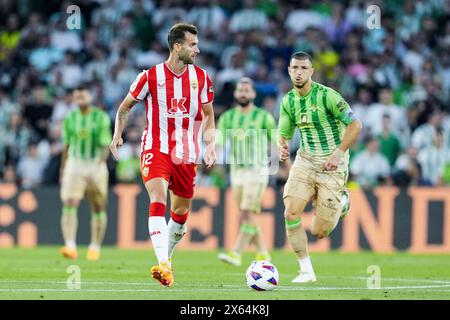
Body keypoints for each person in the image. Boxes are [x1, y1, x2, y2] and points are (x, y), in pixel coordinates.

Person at [109, 23, 216, 287]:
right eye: (192, 44)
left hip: (186, 154)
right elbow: (124, 108)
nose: (197, 49)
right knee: (157, 197)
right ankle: (164, 265)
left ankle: (166, 259)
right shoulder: (149, 76)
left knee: (180, 216)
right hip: (156, 147)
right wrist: (117, 135)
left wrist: (210, 144)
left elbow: (209, 115)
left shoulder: (201, 78)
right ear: (177, 46)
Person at [278, 51, 362, 283]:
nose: (299, 72)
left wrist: (338, 153)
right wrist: (282, 147)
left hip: (332, 165)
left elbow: (356, 125)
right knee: (291, 211)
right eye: (295, 68)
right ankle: (306, 270)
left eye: (304, 68)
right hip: (305, 161)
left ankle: (342, 202)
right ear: (289, 70)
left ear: (312, 71)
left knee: (319, 232)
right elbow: (284, 135)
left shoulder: (328, 96)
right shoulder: (288, 101)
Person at [217, 77, 276, 266]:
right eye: (240, 90)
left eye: (246, 90)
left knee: (246, 210)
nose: (243, 93)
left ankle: (236, 252)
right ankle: (263, 253)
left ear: (253, 94)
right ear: (235, 94)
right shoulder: (228, 117)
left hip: (257, 170)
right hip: (237, 172)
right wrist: (213, 156)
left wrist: (285, 165)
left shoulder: (264, 117)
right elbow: (218, 141)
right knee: (245, 215)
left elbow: (276, 143)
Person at [59, 86, 112, 261]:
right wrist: (63, 168)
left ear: (90, 95)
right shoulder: (70, 117)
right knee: (70, 202)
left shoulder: (100, 117)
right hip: (75, 164)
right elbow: (66, 146)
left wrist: (97, 166)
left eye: (83, 95)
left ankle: (94, 247)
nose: (80, 98)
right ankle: (70, 245)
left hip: (95, 163)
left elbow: (105, 146)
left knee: (98, 206)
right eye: (77, 96)